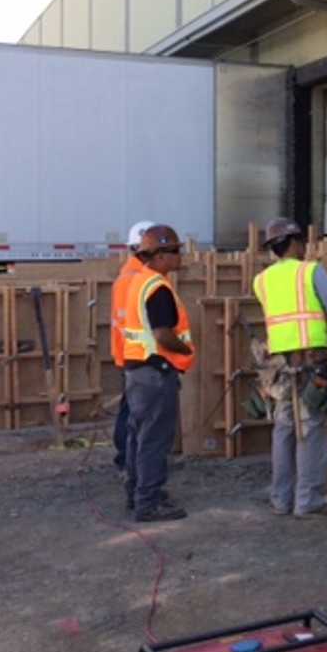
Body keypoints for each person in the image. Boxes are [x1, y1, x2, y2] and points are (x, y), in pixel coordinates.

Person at [252, 218, 327, 517]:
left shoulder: (262, 280)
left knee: (283, 428)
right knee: (310, 428)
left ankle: (281, 499)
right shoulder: (310, 271)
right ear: (294, 243)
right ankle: (308, 501)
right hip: (310, 360)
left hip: (278, 365)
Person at [121, 224, 196, 523]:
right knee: (154, 438)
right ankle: (148, 502)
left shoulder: (139, 282)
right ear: (161, 254)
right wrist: (186, 350)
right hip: (155, 372)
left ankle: (137, 492)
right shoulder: (158, 288)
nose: (180, 256)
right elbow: (163, 334)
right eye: (176, 250)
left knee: (138, 435)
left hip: (138, 371)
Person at [112, 220, 157, 474]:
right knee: (134, 414)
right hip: (139, 357)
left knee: (130, 409)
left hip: (129, 353)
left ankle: (126, 460)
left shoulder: (128, 275)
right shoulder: (137, 279)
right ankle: (128, 462)